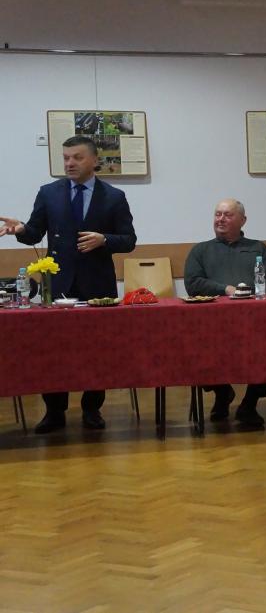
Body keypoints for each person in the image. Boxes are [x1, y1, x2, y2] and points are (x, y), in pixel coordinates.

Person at [0, 135, 137, 434]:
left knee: (97, 349)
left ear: (94, 160)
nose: (70, 163)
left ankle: (92, 409)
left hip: (97, 285)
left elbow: (129, 240)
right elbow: (34, 233)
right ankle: (54, 412)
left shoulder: (114, 197)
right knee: (53, 349)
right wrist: (20, 229)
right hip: (57, 283)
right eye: (66, 158)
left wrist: (104, 239)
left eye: (77, 157)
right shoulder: (49, 193)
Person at [184, 199, 266, 427]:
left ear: (243, 220)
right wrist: (226, 289)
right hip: (212, 326)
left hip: (254, 324)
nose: (221, 219)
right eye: (218, 214)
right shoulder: (201, 250)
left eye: (227, 215)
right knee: (195, 345)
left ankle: (250, 404)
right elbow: (193, 284)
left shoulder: (259, 249)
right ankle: (222, 393)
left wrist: (243, 292)